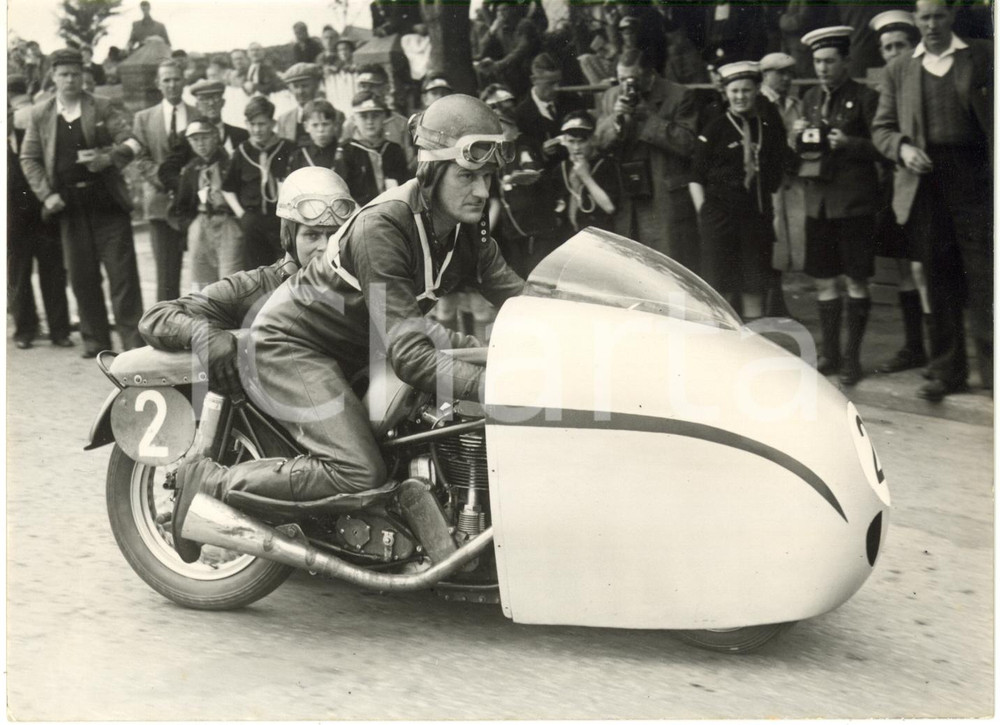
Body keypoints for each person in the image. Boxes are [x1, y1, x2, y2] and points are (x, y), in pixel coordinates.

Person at [169, 94, 525, 563]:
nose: (482, 190)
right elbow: (412, 357)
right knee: (359, 471)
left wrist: (571, 327)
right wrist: (504, 390)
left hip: (360, 348)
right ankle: (208, 482)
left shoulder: (465, 229)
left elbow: (520, 301)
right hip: (290, 346)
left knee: (454, 393)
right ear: (433, 171)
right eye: (467, 175)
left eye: (487, 177)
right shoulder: (384, 226)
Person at [140, 166, 356, 396]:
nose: (325, 247)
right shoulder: (254, 286)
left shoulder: (359, 284)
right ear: (288, 237)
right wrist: (204, 336)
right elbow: (158, 316)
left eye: (334, 235)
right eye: (312, 235)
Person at [871, 0, 992, 400]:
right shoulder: (900, 68)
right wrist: (903, 149)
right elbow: (882, 128)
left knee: (985, 276)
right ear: (916, 20)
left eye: (939, 16)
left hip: (977, 176)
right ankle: (946, 370)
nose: (932, 25)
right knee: (940, 278)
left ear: (952, 16)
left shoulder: (983, 54)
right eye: (924, 18)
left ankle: (993, 374)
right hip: (927, 182)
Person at [19, 48, 145, 357]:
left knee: (122, 276)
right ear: (53, 77)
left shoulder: (101, 107)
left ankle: (133, 345)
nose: (70, 80)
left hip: (107, 205)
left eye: (75, 74)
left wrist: (108, 158)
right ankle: (96, 342)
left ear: (83, 76)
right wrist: (47, 195)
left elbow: (132, 141)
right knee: (82, 277)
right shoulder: (41, 114)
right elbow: (29, 157)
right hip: (69, 209)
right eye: (63, 74)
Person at [795, 26, 881, 386]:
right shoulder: (809, 98)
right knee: (825, 282)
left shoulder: (865, 97)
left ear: (846, 61)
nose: (823, 68)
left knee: (856, 281)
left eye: (830, 61)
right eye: (817, 61)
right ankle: (830, 353)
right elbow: (802, 151)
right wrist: (794, 136)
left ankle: (852, 359)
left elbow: (883, 147)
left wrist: (850, 143)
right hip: (819, 204)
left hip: (854, 204)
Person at [689, 61, 789, 321]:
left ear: (757, 90)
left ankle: (752, 346)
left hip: (755, 218)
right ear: (726, 93)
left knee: (754, 286)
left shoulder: (768, 128)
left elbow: (778, 173)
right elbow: (696, 176)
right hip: (719, 219)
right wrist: (704, 213)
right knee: (718, 290)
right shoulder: (715, 128)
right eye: (734, 91)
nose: (740, 96)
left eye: (746, 90)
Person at [594, 48, 701, 273]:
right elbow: (599, 142)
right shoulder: (611, 96)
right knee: (633, 269)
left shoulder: (679, 95)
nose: (626, 85)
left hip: (664, 201)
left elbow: (688, 144)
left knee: (671, 270)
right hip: (629, 197)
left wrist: (649, 118)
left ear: (649, 73)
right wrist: (616, 120)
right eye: (621, 79)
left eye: (632, 79)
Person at [867, 11, 929, 376]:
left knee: (924, 270)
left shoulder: (923, 79)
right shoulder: (879, 91)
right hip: (891, 187)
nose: (892, 53)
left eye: (899, 45)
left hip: (922, 186)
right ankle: (914, 345)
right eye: (886, 47)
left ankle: (937, 347)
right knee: (906, 268)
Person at [8, 74, 72, 350]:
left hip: (38, 204)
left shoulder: (32, 119)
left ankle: (39, 330)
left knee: (36, 270)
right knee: (32, 270)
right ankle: (41, 330)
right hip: (18, 207)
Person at [132, 60, 195, 302]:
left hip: (192, 204)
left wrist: (187, 183)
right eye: (166, 80)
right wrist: (166, 180)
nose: (172, 84)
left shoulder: (197, 114)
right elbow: (141, 159)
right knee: (166, 276)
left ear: (184, 81)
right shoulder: (144, 118)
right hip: (160, 204)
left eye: (176, 79)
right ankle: (166, 330)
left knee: (202, 270)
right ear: (158, 84)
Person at [170, 118, 245, 291]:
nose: (200, 144)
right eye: (195, 140)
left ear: (215, 137)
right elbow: (181, 203)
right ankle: (205, 316)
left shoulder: (230, 162)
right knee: (201, 280)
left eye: (204, 138)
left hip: (227, 222)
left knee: (231, 278)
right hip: (201, 222)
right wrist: (190, 226)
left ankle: (232, 316)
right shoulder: (191, 168)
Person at [222, 96, 297, 269]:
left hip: (282, 221)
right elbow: (228, 188)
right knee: (256, 274)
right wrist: (241, 214)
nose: (257, 129)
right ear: (246, 124)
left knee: (287, 270)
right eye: (252, 124)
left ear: (272, 123)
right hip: (253, 222)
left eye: (262, 124)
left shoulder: (288, 148)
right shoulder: (242, 151)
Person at [759, 51, 805, 316]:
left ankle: (777, 303)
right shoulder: (760, 104)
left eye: (790, 73)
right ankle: (771, 305)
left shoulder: (795, 104)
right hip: (770, 182)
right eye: (780, 73)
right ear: (766, 75)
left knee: (785, 244)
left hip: (792, 181)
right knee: (771, 239)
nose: (787, 78)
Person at [156, 79, 250, 202]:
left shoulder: (241, 135)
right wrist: (190, 189)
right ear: (197, 105)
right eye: (204, 99)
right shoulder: (186, 136)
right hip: (201, 207)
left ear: (223, 102)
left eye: (215, 98)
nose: (211, 103)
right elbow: (167, 171)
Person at [548, 110, 619, 237]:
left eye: (581, 141)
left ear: (593, 140)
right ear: (564, 141)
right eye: (571, 141)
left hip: (601, 236)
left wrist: (586, 177)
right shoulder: (561, 169)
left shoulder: (605, 164)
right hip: (571, 237)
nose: (576, 148)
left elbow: (610, 207)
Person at [335, 92, 410, 206]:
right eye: (363, 116)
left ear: (384, 117)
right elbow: (342, 192)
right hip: (358, 213)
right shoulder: (346, 151)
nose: (370, 121)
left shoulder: (393, 149)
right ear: (354, 119)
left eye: (375, 116)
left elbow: (404, 187)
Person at [340, 64, 416, 169]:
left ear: (386, 88)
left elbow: (409, 161)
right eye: (363, 86)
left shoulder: (401, 124)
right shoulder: (350, 124)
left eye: (372, 86)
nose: (366, 91)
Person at [277, 62, 345, 147]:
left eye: (305, 86)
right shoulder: (284, 120)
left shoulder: (335, 115)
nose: (300, 91)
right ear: (290, 89)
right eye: (296, 87)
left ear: (316, 86)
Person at [288, 99, 342, 171]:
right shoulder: (300, 156)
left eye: (325, 124)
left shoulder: (344, 152)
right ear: (306, 127)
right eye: (315, 125)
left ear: (335, 125)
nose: (320, 130)